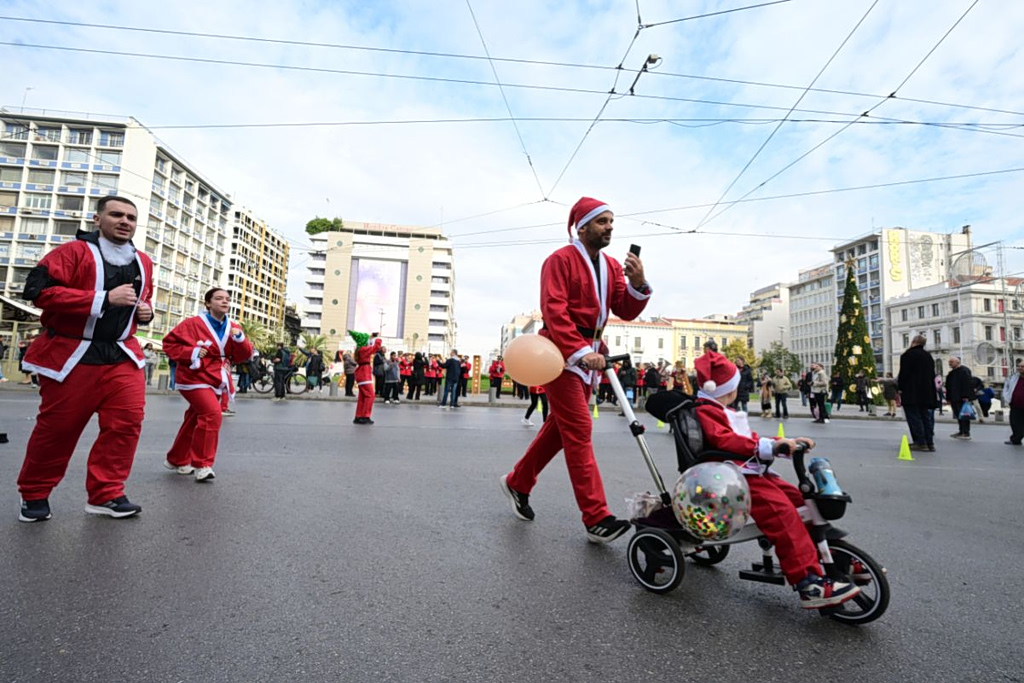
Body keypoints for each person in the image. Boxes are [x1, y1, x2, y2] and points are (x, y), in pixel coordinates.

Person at [500, 196, 651, 544]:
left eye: (612, 221)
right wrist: (581, 352)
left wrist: (638, 284)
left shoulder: (612, 266)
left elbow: (625, 310)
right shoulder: (560, 260)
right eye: (602, 222)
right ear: (582, 227)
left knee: (560, 428)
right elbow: (554, 310)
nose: (610, 227)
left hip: (591, 356)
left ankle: (517, 482)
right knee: (580, 427)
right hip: (559, 354)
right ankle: (596, 516)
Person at [16, 196, 153, 522]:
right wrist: (102, 299)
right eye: (116, 214)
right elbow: (38, 292)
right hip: (71, 354)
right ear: (97, 219)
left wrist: (145, 314)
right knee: (58, 430)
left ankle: (106, 495)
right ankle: (34, 494)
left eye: (131, 217)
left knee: (127, 425)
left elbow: (140, 302)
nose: (125, 221)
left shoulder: (143, 261)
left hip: (122, 354)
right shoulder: (72, 252)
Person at [692, 351, 860, 609]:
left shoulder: (722, 409)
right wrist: (770, 446)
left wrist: (783, 443)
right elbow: (726, 441)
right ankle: (808, 581)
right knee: (783, 515)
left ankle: (833, 554)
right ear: (730, 388)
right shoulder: (708, 411)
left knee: (801, 502)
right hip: (733, 476)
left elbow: (750, 439)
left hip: (749, 469)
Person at [161, 288, 253, 482]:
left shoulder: (233, 327)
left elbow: (244, 355)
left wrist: (239, 339)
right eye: (219, 298)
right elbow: (169, 344)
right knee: (212, 413)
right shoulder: (192, 324)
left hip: (217, 377)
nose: (224, 302)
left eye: (227, 299)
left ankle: (176, 459)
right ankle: (202, 464)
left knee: (194, 418)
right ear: (208, 303)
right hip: (193, 377)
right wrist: (191, 352)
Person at [897, 335, 937, 452]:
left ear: (913, 342)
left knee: (914, 417)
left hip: (912, 391)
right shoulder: (928, 356)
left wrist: (900, 388)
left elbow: (904, 374)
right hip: (926, 392)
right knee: (925, 417)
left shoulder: (908, 355)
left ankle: (920, 442)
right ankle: (929, 442)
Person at [352, 332, 382, 424]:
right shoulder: (363, 350)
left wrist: (371, 336)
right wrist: (378, 339)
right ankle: (365, 416)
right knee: (370, 395)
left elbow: (368, 343)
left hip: (361, 373)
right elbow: (376, 347)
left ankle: (358, 416)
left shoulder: (360, 349)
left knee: (362, 396)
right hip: (364, 373)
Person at [946, 357, 976, 440]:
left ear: (957, 362)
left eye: (951, 362)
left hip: (961, 398)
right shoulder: (951, 373)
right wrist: (948, 397)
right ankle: (961, 431)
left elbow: (967, 384)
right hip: (954, 397)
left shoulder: (964, 371)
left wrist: (965, 396)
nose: (950, 363)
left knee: (964, 415)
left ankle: (966, 432)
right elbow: (949, 386)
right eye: (949, 362)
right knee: (958, 415)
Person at [1003, 360, 1024, 446]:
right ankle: (1016, 439)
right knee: (1014, 423)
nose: (1020, 368)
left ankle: (1018, 437)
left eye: (1022, 366)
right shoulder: (1014, 377)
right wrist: (1007, 397)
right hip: (1015, 405)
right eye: (1019, 366)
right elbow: (1007, 387)